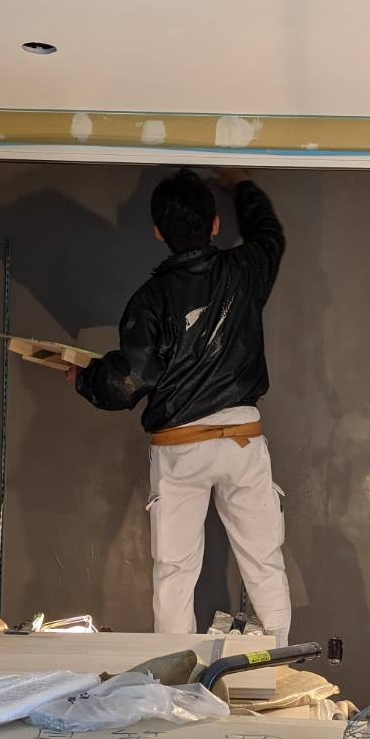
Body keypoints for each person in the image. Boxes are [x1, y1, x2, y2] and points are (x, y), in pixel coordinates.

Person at [68, 167, 291, 643]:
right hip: (241, 440)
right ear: (215, 225)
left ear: (158, 232)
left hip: (179, 447)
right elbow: (270, 234)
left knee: (174, 572)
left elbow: (127, 382)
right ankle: (276, 663)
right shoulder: (246, 269)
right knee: (263, 560)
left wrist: (84, 378)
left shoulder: (150, 300)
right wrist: (243, 186)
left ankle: (180, 674)